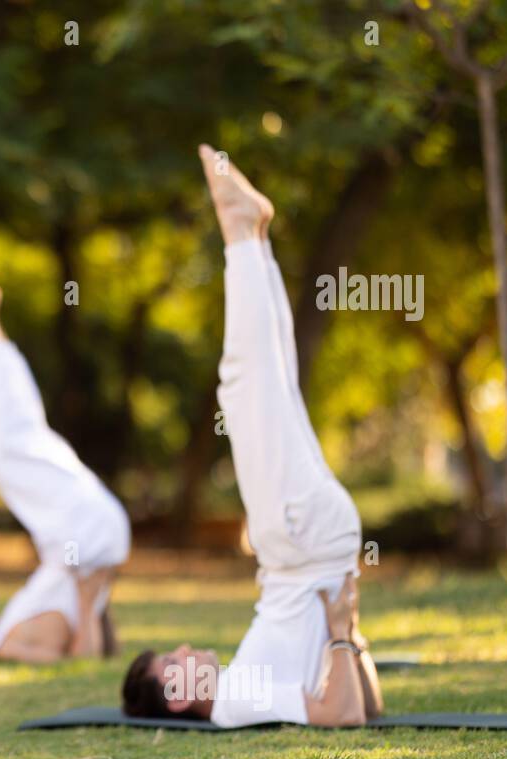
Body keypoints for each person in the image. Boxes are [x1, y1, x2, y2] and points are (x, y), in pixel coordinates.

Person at [121, 146, 382, 728]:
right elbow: (343, 717)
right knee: (246, 389)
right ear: (181, 698)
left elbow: (367, 703)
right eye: (173, 664)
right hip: (300, 541)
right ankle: (243, 235)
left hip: (307, 544)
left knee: (272, 385)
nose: (186, 651)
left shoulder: (243, 683)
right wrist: (341, 631)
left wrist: (348, 633)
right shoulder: (233, 703)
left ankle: (254, 237)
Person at [0, 262, 131, 663]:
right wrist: (88, 600)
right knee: (6, 445)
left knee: (11, 440)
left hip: (82, 536)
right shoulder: (6, 646)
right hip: (87, 536)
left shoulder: (7, 627)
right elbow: (82, 661)